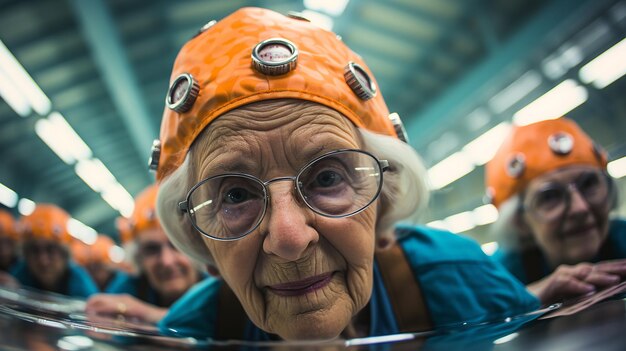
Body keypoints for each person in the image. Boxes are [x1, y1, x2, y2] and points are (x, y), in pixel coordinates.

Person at [148, 7, 550, 341]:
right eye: (236, 195)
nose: (290, 238)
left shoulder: (462, 283)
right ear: (200, 240)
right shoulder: (187, 335)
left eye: (326, 178)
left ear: (385, 201)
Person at [487, 118, 626, 303]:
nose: (580, 208)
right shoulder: (500, 276)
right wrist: (524, 301)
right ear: (520, 222)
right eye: (549, 197)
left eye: (589, 184)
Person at [86, 184, 205, 324]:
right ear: (138, 259)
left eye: (177, 244)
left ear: (197, 247)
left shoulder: (221, 288)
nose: (167, 261)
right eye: (152, 249)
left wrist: (143, 312)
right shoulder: (130, 286)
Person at [10, 204, 98, 298]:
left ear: (65, 255)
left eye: (51, 250)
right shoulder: (19, 273)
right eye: (34, 251)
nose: (43, 261)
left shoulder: (80, 283)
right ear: (26, 255)